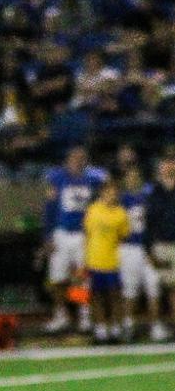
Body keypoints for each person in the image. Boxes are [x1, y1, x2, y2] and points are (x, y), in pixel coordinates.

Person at [42, 147, 101, 334]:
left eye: (82, 158)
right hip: (62, 233)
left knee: (81, 277)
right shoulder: (57, 179)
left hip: (83, 234)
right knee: (57, 278)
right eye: (75, 157)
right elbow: (49, 208)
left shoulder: (92, 180)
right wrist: (47, 235)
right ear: (67, 159)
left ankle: (83, 315)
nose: (78, 161)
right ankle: (62, 315)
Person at [118, 163, 164, 341]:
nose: (133, 179)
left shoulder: (150, 197)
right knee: (130, 289)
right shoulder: (121, 199)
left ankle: (155, 325)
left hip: (149, 246)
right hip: (129, 247)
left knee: (154, 288)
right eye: (130, 176)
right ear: (125, 179)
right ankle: (128, 324)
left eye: (136, 175)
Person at [83, 175, 129, 344]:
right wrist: (85, 258)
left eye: (115, 192)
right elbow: (87, 234)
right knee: (97, 297)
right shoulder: (93, 210)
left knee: (114, 296)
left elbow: (123, 237)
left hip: (113, 262)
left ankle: (116, 329)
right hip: (95, 260)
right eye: (109, 192)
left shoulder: (121, 214)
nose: (112, 195)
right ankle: (101, 330)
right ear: (102, 193)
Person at [146, 153, 175, 334]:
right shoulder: (154, 192)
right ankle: (155, 325)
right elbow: (148, 224)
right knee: (154, 288)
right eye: (166, 164)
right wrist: (149, 250)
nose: (169, 168)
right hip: (159, 245)